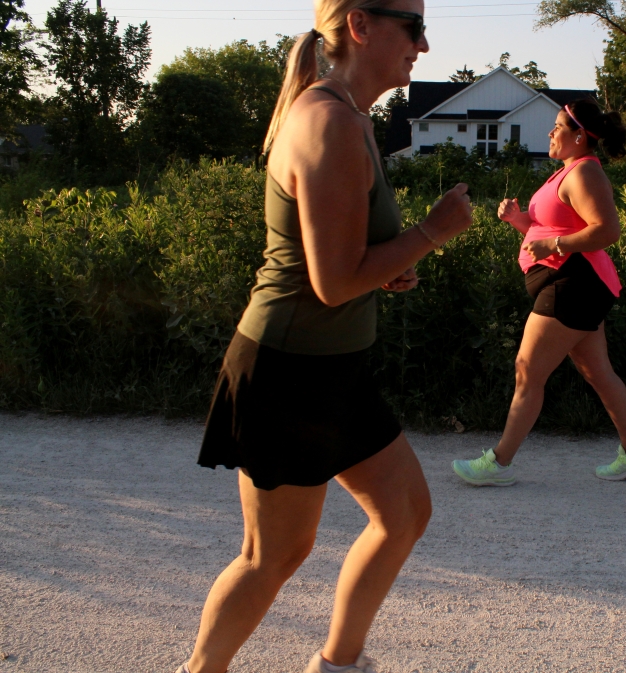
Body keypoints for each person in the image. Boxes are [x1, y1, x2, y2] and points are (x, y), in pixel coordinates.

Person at [179, 1, 472, 672]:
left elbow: (342, 259)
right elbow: (334, 281)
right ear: (362, 26)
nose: (423, 44)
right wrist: (431, 232)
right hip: (287, 367)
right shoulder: (330, 120)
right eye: (412, 26)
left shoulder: (351, 117)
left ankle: (338, 664)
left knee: (403, 513)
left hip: (334, 366)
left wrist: (389, 268)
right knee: (273, 555)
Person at [452, 99, 626, 486]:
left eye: (558, 126)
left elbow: (607, 230)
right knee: (597, 372)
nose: (550, 132)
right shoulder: (567, 172)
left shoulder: (584, 175)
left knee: (528, 372)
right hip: (576, 284)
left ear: (579, 136)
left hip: (573, 284)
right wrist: (518, 220)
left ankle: (498, 464)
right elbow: (547, 231)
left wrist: (555, 248)